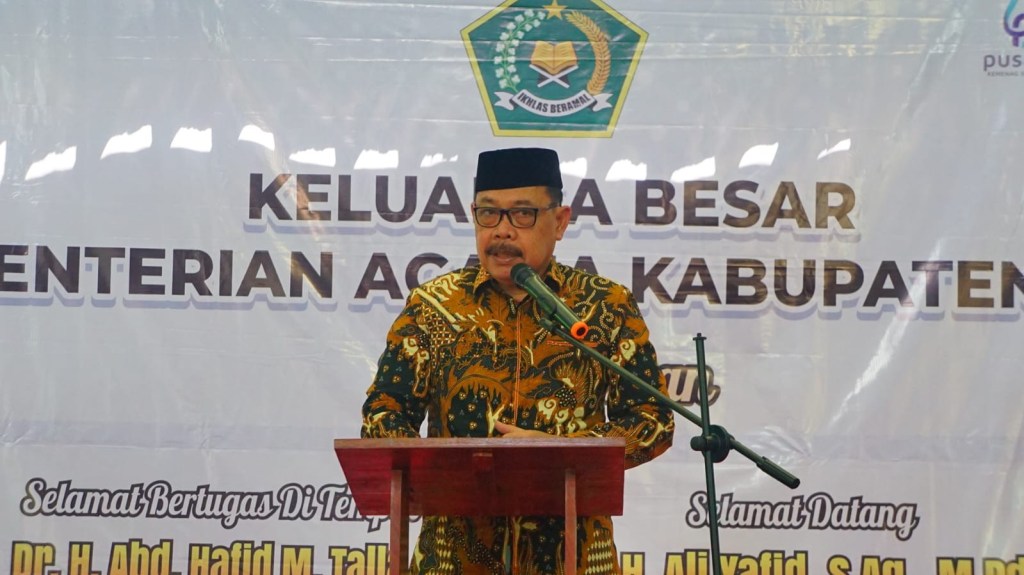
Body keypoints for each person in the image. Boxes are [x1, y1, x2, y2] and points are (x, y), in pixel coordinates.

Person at [361, 147, 675, 575]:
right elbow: (383, 411)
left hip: (573, 558)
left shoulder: (603, 306)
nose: (502, 231)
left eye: (523, 214)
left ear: (560, 221)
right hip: (453, 560)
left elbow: (652, 416)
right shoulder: (434, 306)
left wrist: (562, 454)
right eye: (488, 214)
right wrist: (441, 469)